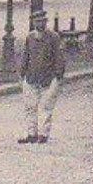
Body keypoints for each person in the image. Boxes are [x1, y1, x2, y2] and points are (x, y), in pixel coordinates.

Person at [18, 9, 66, 144]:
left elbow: (59, 57)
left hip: (48, 78)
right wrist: (22, 73)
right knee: (30, 106)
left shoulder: (53, 37)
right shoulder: (30, 37)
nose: (40, 24)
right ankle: (31, 133)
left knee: (46, 106)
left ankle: (44, 134)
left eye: (42, 21)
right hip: (31, 77)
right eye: (37, 21)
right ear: (33, 23)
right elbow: (26, 56)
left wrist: (58, 75)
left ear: (46, 22)